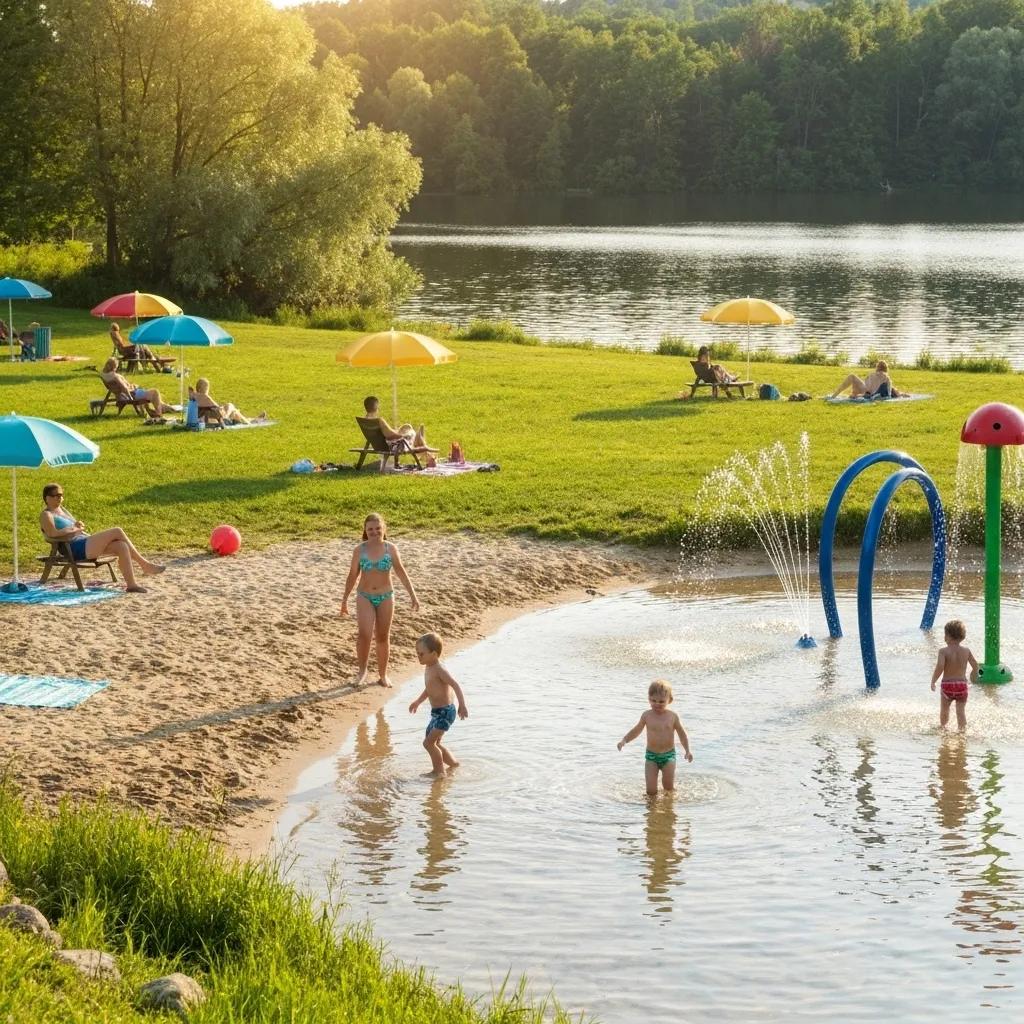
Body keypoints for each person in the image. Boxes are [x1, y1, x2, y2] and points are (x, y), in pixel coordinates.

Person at [340, 512, 420, 687]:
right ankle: (362, 672)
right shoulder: (359, 550)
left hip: (386, 596)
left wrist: (412, 595)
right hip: (364, 596)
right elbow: (352, 575)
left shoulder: (390, 548)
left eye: (378, 528)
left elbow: (400, 572)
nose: (374, 532)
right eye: (370, 529)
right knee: (364, 635)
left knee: (383, 636)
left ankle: (383, 675)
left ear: (384, 529)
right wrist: (344, 600)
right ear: (365, 531)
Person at [39, 482, 165, 593]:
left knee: (122, 546)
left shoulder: (63, 510)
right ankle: (144, 564)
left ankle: (131, 585)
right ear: (47, 498)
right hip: (73, 548)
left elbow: (75, 528)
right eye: (55, 495)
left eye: (61, 495)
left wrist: (78, 526)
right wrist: (74, 528)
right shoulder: (47, 514)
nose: (59, 498)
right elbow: (52, 533)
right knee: (117, 530)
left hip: (83, 542)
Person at [618, 680, 693, 796]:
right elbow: (636, 730)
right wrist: (624, 740)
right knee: (651, 791)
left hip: (669, 756)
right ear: (649, 699)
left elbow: (682, 734)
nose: (657, 704)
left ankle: (667, 809)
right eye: (653, 700)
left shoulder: (672, 717)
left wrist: (687, 750)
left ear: (670, 700)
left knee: (668, 788)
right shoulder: (646, 715)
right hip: (651, 756)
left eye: (661, 701)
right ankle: (652, 811)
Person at [408, 632, 468, 777]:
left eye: (421, 654)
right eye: (417, 654)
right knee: (435, 743)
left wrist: (462, 705)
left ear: (434, 654)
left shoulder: (439, 669)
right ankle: (453, 764)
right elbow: (429, 689)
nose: (418, 657)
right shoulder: (429, 667)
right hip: (437, 713)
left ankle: (439, 772)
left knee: (428, 743)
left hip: (445, 712)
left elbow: (455, 685)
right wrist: (418, 701)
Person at [930, 619, 979, 731]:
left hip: (948, 685)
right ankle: (962, 731)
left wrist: (933, 681)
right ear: (962, 636)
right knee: (960, 711)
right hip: (962, 686)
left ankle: (943, 728)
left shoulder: (943, 651)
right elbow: (975, 665)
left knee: (944, 710)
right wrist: (977, 675)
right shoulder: (966, 650)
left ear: (947, 636)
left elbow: (940, 667)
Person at [100, 357, 174, 419]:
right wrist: (131, 398)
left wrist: (131, 386)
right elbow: (124, 388)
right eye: (115, 367)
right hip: (132, 394)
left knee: (154, 397)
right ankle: (159, 414)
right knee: (155, 392)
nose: (115, 369)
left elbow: (120, 388)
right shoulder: (115, 376)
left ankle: (166, 408)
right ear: (111, 366)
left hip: (126, 395)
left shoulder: (104, 375)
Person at [190, 378, 267, 425]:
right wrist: (223, 410)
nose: (207, 390)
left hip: (210, 417)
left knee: (234, 412)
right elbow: (217, 410)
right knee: (231, 407)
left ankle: (253, 420)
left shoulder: (196, 396)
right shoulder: (204, 397)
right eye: (206, 388)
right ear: (200, 389)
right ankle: (252, 422)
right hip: (214, 420)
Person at [362, 395, 428, 449]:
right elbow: (391, 435)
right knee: (415, 435)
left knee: (407, 426)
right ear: (376, 407)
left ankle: (420, 441)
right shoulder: (379, 421)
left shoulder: (365, 421)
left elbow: (387, 434)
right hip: (393, 446)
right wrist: (404, 436)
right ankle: (424, 448)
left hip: (380, 445)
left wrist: (398, 431)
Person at [829, 359, 906, 399]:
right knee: (856, 389)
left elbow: (866, 386)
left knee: (852, 376)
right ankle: (851, 395)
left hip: (866, 391)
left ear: (877, 368)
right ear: (886, 369)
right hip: (867, 393)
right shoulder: (886, 378)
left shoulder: (872, 375)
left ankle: (833, 396)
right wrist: (902, 394)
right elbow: (893, 391)